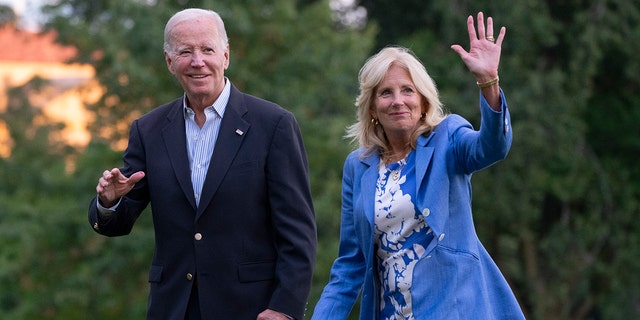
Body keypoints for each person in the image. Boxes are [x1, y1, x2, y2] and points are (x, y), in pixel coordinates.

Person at [88, 8, 317, 320]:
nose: (198, 61)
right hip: (173, 309)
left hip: (251, 310)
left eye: (207, 49)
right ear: (170, 62)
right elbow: (116, 224)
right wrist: (109, 201)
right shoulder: (149, 129)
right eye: (185, 52)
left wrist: (284, 308)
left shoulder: (273, 125)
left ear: (225, 55)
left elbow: (298, 231)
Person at [312, 12, 524, 319]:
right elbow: (350, 265)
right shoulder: (357, 167)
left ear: (423, 101)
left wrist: (487, 81)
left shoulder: (447, 139)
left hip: (454, 308)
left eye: (407, 90)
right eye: (386, 92)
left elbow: (492, 147)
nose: (398, 101)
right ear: (372, 107)